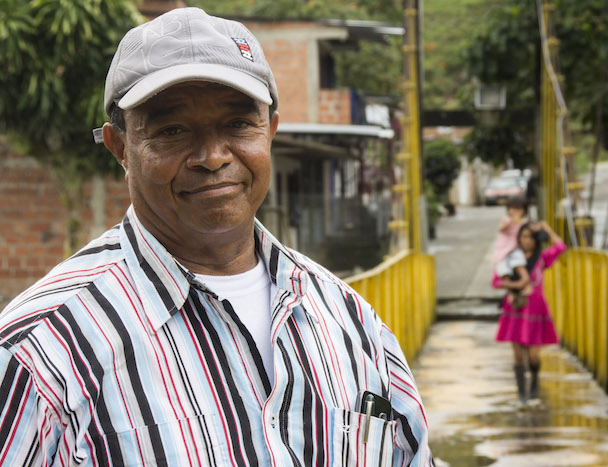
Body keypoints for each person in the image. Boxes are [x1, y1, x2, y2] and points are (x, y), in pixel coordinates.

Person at [0, 8, 433, 465]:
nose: (211, 156)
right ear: (120, 147)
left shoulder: (351, 321)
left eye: (238, 124)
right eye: (171, 130)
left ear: (271, 131)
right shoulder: (40, 352)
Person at [491, 221, 566, 405]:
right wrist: (514, 286)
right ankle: (522, 394)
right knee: (518, 355)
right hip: (516, 307)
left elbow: (560, 246)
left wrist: (547, 229)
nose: (527, 241)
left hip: (535, 308)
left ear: (536, 240)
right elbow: (495, 281)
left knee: (533, 355)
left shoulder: (541, 259)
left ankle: (534, 381)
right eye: (523, 237)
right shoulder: (511, 257)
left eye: (531, 237)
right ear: (518, 239)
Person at [491, 196, 530, 309]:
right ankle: (511, 293)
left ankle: (525, 285)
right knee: (504, 271)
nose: (515, 212)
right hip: (503, 248)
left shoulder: (524, 222)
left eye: (518, 209)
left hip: (515, 248)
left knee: (520, 264)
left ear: (524, 211)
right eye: (512, 209)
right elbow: (501, 229)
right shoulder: (506, 219)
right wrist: (512, 221)